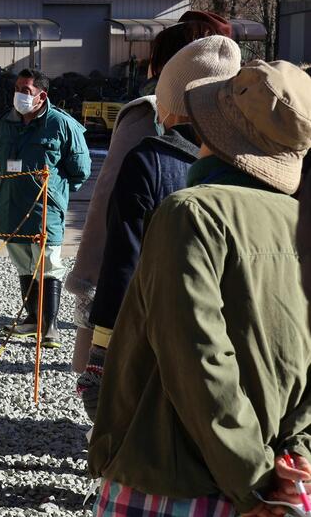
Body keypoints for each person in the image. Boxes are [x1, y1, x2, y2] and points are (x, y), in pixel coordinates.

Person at [88, 60, 311, 516]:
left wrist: (252, 479)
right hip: (276, 474)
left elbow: (197, 354)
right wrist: (295, 457)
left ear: (215, 131)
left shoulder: (191, 214)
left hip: (174, 483)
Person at [76, 36, 241, 422]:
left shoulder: (148, 161)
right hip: (221, 338)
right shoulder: (246, 167)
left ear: (169, 102)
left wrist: (100, 350)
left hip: (149, 329)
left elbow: (123, 259)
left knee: (130, 426)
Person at [0, 68, 90, 348]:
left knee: (48, 265)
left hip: (45, 211)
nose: (19, 95)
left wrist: (56, 195)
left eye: (26, 91)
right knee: (24, 265)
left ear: (41, 95)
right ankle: (32, 319)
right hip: (11, 207)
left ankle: (50, 326)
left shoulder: (61, 124)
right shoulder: (6, 123)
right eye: (17, 89)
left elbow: (79, 171)